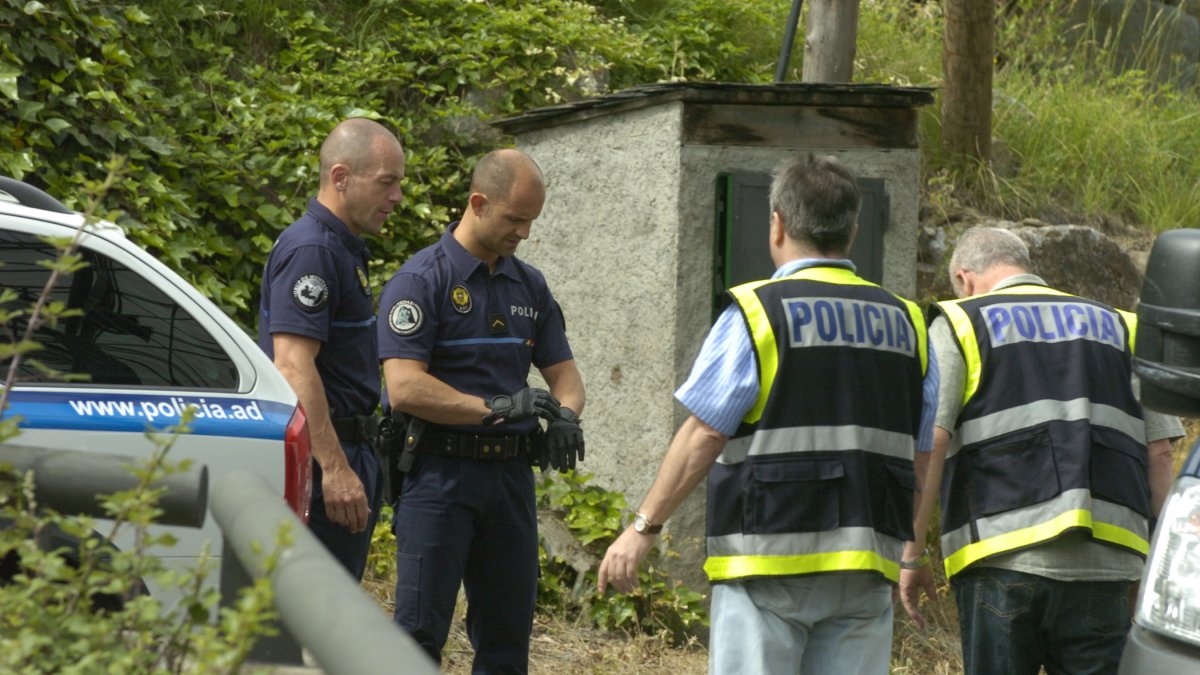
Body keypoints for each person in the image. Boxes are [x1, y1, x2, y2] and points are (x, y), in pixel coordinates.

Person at [598, 153, 937, 675]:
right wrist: (905, 550)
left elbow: (706, 432)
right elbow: (918, 451)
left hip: (769, 561)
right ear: (852, 229)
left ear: (777, 223)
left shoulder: (759, 311)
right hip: (867, 566)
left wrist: (642, 528)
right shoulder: (909, 323)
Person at [899, 226, 1183, 675]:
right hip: (1107, 564)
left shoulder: (960, 322)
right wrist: (1154, 570)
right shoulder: (1122, 325)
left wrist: (912, 552)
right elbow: (1161, 455)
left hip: (1002, 559)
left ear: (964, 278)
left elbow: (932, 440)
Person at [378, 148, 586, 672]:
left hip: (509, 481)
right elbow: (403, 387)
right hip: (439, 476)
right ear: (477, 202)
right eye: (516, 219)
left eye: (532, 221)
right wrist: (495, 407)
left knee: (506, 642)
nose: (525, 233)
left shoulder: (530, 285)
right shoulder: (421, 280)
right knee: (418, 637)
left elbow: (566, 380)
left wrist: (565, 416)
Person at [257, 117, 405, 579]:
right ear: (341, 178)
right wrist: (335, 468)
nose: (397, 197)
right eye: (386, 183)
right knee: (318, 621)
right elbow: (292, 364)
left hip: (346, 450)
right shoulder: (313, 251)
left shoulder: (340, 247)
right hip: (324, 462)